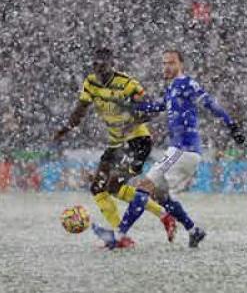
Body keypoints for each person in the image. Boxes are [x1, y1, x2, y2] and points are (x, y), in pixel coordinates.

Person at [92, 49, 245, 249]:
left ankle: (119, 236)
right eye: (164, 63)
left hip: (183, 150)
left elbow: (210, 103)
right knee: (161, 196)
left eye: (171, 63)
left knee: (143, 188)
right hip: (182, 151)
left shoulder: (187, 84)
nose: (166, 67)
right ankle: (193, 230)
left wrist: (232, 125)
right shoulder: (172, 88)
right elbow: (156, 107)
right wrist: (129, 105)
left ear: (181, 65)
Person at [53, 47, 175, 248]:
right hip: (116, 143)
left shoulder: (127, 84)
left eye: (103, 64)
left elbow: (150, 110)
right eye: (95, 64)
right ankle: (129, 234)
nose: (99, 68)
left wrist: (133, 121)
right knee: (98, 188)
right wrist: (66, 129)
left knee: (111, 185)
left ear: (112, 65)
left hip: (137, 142)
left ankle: (140, 227)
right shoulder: (90, 83)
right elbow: (80, 110)